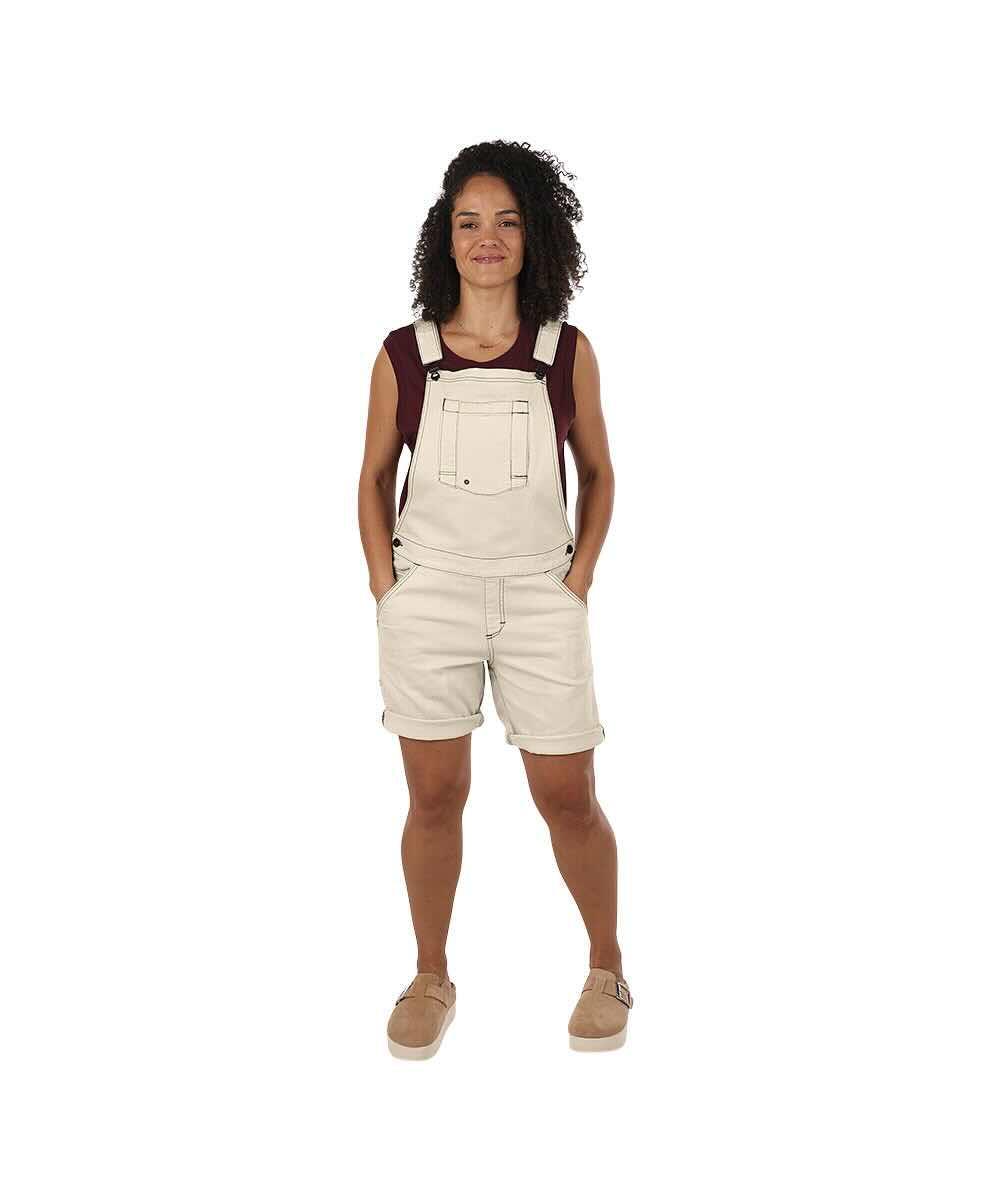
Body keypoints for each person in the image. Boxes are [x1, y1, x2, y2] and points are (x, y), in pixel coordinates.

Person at [357, 141, 632, 1057]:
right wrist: (387, 588)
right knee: (433, 796)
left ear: (534, 236)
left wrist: (577, 580)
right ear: (445, 238)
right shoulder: (406, 354)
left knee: (568, 795)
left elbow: (599, 473)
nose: (487, 239)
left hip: (540, 597)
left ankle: (607, 966)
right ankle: (430, 976)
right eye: (469, 222)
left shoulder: (565, 352)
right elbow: (373, 478)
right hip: (427, 596)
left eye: (507, 222)